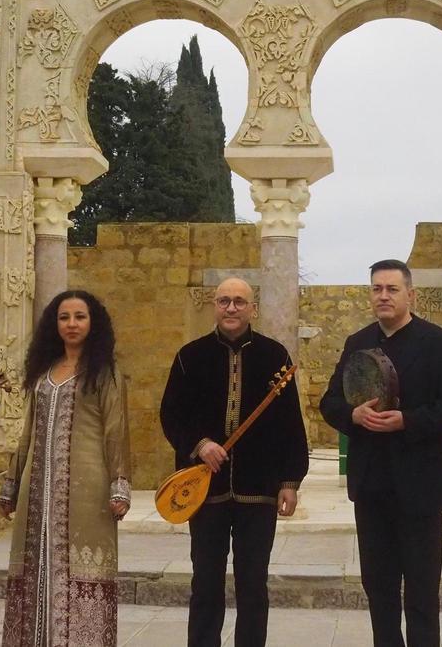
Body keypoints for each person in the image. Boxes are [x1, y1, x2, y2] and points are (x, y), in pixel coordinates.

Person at [319, 259, 442, 647]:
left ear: (410, 295)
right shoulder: (358, 342)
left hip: (419, 484)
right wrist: (354, 414)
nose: (383, 296)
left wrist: (407, 421)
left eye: (392, 289)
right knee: (379, 588)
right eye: (376, 289)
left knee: (421, 591)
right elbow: (330, 403)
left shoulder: (438, 343)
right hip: (371, 485)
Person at [159, 277, 309, 647]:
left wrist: (290, 480)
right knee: (206, 582)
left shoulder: (276, 357)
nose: (231, 308)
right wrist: (200, 444)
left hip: (258, 490)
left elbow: (291, 421)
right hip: (205, 490)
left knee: (253, 584)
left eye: (239, 301)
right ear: (214, 306)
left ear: (252, 308)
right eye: (224, 301)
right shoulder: (189, 356)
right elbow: (171, 415)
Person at [0, 289, 131, 646]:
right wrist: (12, 481)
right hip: (35, 490)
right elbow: (27, 429)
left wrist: (119, 484)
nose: (72, 324)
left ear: (93, 322)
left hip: (87, 491)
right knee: (32, 571)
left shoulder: (104, 372)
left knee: (84, 571)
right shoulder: (42, 373)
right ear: (54, 325)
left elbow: (116, 430)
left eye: (80, 317)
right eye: (64, 317)